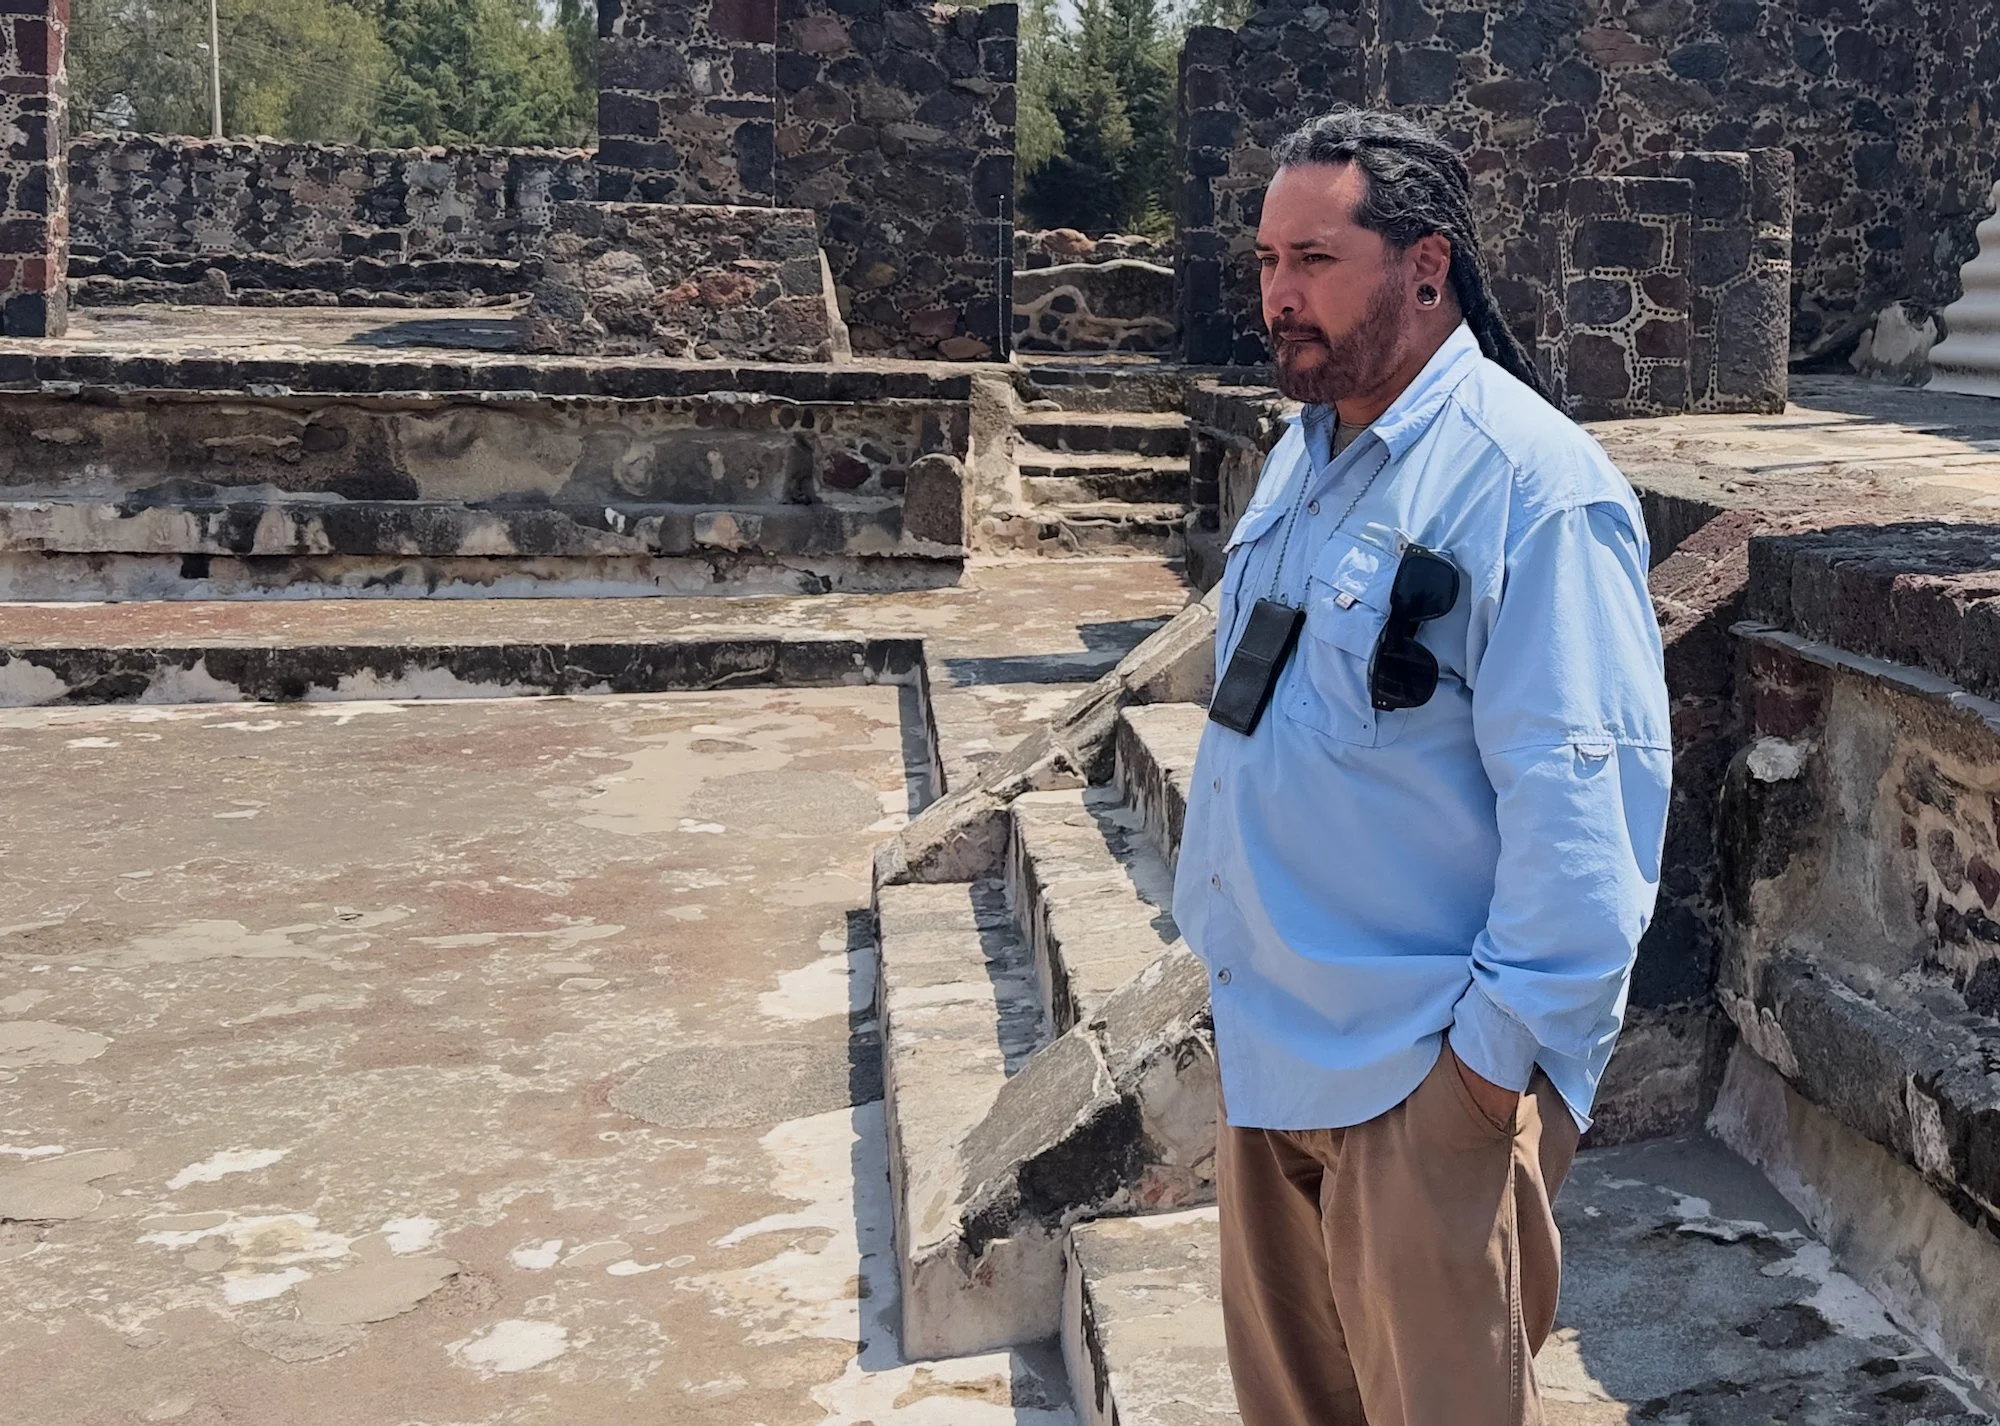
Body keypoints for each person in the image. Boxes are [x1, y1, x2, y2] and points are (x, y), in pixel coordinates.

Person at [1172, 106, 1673, 1426]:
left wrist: (1479, 1082)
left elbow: (1588, 814)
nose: (1279, 296)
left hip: (1418, 1075)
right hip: (1273, 1046)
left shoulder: (1532, 488)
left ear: (1428, 266)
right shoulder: (1306, 452)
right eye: (1267, 260)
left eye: (1314, 260)